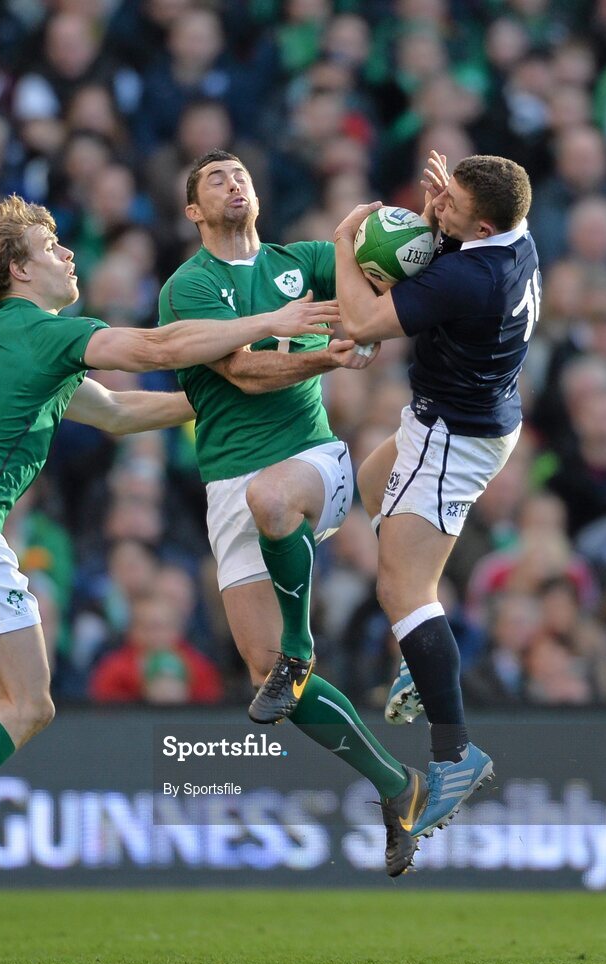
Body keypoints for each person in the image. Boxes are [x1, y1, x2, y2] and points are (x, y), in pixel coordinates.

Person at [0, 194, 340, 946]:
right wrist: (269, 325)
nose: (68, 255)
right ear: (20, 270)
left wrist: (218, 398)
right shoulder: (45, 332)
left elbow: (116, 412)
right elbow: (155, 348)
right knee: (29, 704)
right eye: (53, 247)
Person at [158, 149, 428, 881]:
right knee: (260, 671)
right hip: (228, 485)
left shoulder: (300, 260)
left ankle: (302, 646)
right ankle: (397, 785)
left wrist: (421, 224)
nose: (232, 181)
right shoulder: (191, 286)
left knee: (273, 502)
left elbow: (381, 266)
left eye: (241, 172)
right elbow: (243, 372)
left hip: (310, 463)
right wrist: (331, 355)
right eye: (213, 178)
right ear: (193, 212)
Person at [332, 151, 540, 838]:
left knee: (404, 592)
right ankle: (422, 663)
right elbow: (448, 251)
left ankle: (454, 754)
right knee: (369, 484)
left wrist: (344, 244)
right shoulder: (512, 238)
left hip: (454, 434)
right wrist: (436, 218)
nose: (436, 202)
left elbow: (364, 324)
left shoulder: (469, 275)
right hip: (462, 416)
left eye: (448, 199)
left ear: (480, 224)